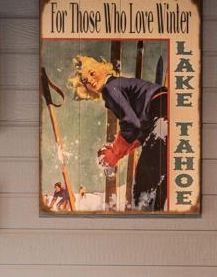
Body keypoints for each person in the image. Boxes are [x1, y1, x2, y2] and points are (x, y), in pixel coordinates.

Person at [68, 55, 168, 211]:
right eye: (86, 81)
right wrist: (119, 153)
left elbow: (131, 125)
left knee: (143, 190)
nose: (91, 81)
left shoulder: (110, 88)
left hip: (162, 117)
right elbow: (140, 131)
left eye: (92, 73)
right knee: (157, 184)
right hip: (165, 117)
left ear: (102, 68)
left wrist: (114, 153)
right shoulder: (119, 84)